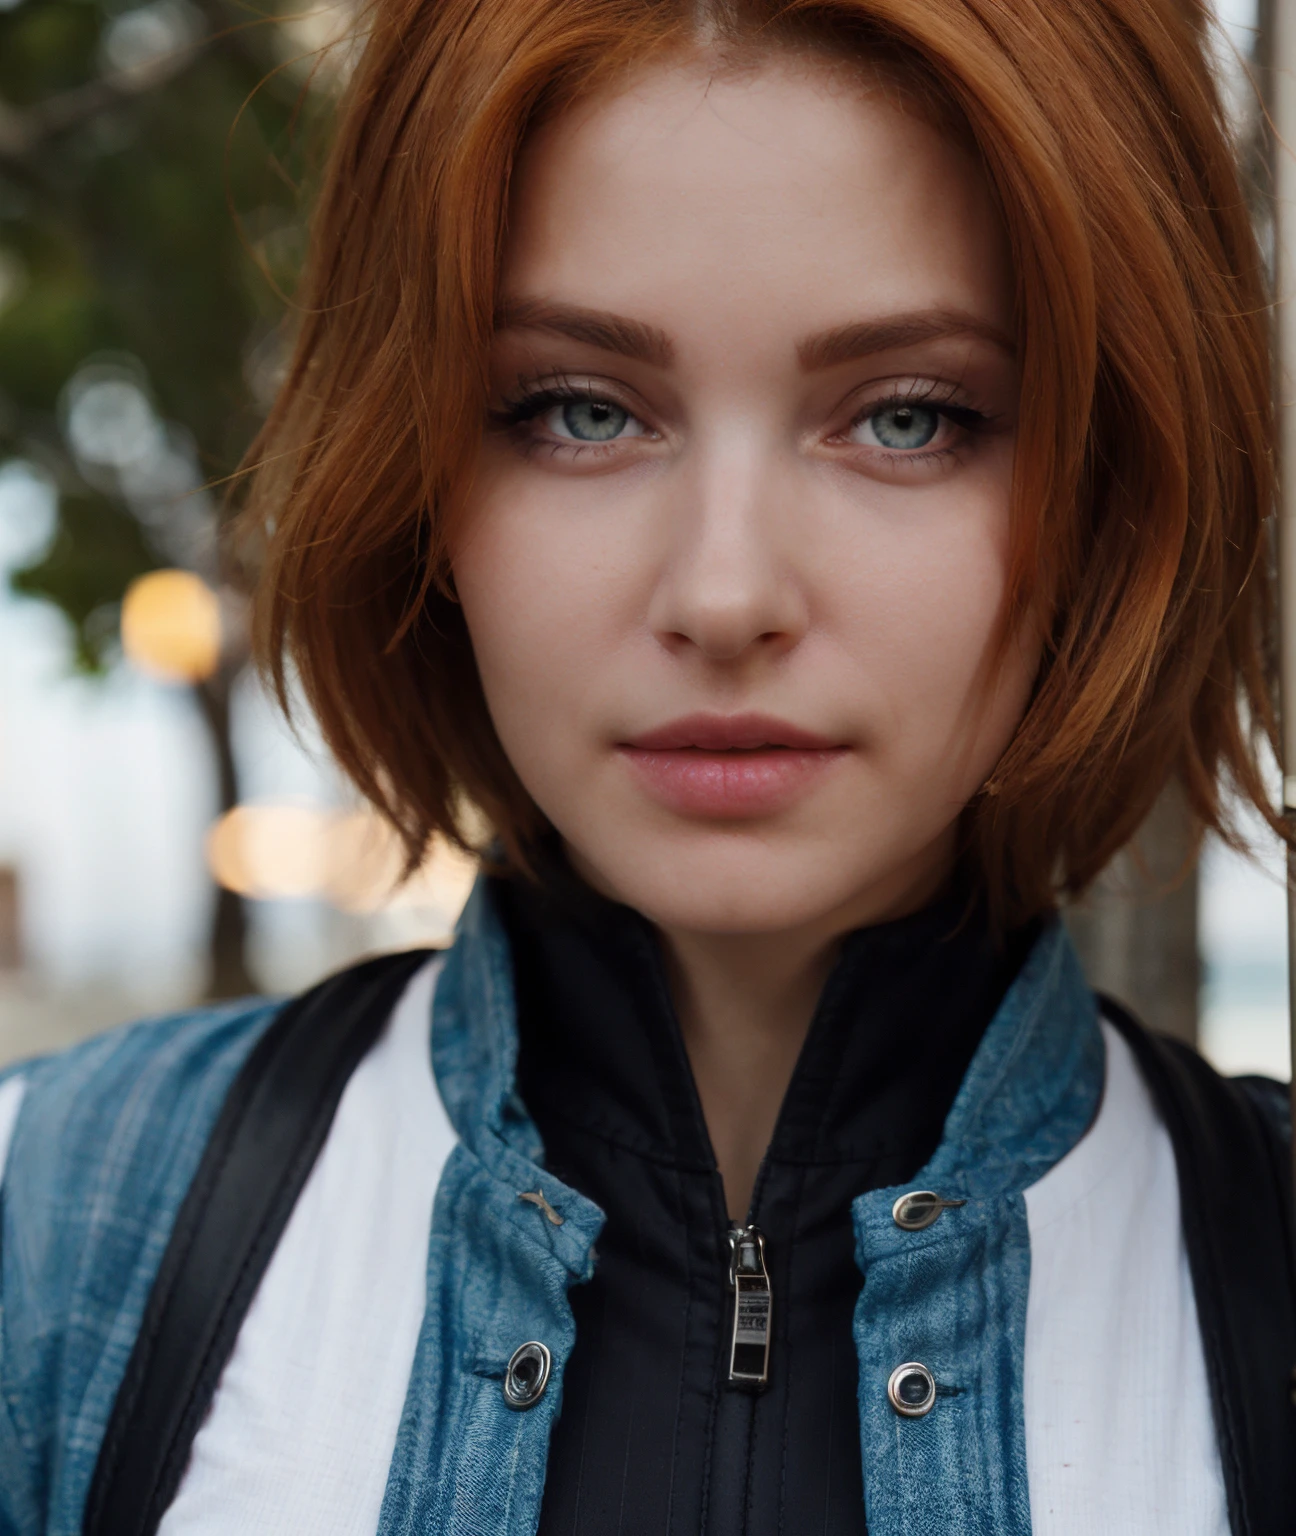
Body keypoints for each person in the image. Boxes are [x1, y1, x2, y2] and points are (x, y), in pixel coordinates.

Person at [0, 0, 1292, 1532]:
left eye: (909, 416)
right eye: (582, 410)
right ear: (415, 471)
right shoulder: (60, 1229)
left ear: (1114, 484)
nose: (725, 595)